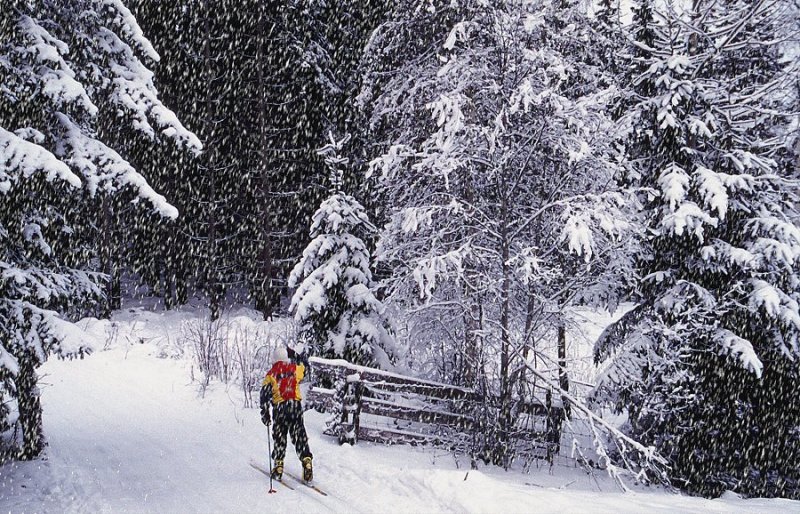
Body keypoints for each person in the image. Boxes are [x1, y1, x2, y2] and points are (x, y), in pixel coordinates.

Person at [260, 345, 313, 482]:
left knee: (280, 436)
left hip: (280, 408)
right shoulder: (295, 369)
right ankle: (306, 460)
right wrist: (296, 355)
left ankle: (278, 466)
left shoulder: (270, 374)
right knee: (299, 435)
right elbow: (306, 366)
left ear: (274, 359)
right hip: (295, 406)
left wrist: (266, 413)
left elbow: (264, 396)